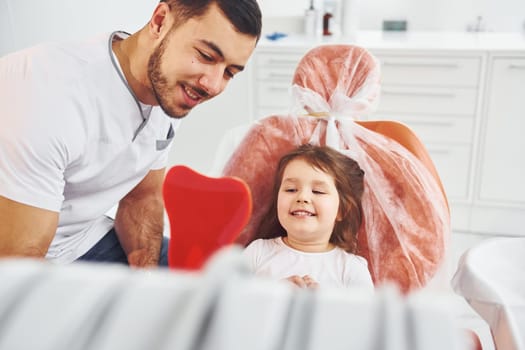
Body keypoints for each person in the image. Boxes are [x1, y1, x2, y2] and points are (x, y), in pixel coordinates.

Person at [0, 0, 262, 267]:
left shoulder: (170, 89)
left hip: (81, 239)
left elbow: (143, 197)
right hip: (22, 258)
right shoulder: (51, 96)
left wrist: (146, 281)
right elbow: (18, 268)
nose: (213, 85)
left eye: (229, 72)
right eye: (206, 56)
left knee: (214, 281)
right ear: (160, 21)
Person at [243, 144, 374, 290]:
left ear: (342, 210)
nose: (302, 197)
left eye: (318, 191)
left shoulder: (351, 269)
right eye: (291, 189)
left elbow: (364, 313)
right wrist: (273, 295)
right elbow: (227, 306)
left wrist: (323, 305)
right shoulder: (257, 253)